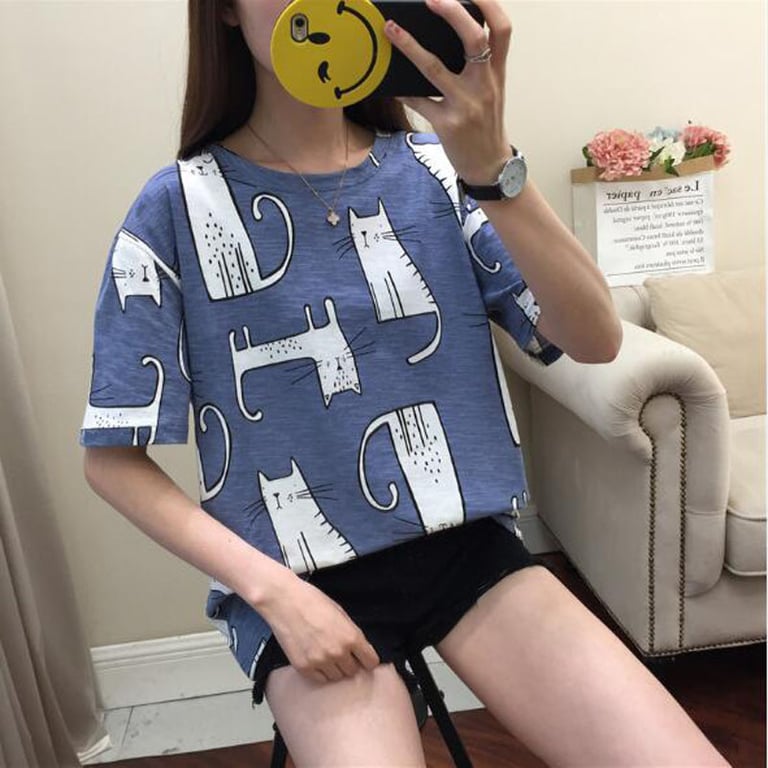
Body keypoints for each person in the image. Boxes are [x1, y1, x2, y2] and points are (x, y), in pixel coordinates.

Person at [79, 0, 732, 765]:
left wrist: (492, 165)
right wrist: (274, 595)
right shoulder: (174, 210)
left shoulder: (439, 175)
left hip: (468, 553)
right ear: (222, 9)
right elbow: (111, 460)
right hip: (296, 577)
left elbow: (595, 339)